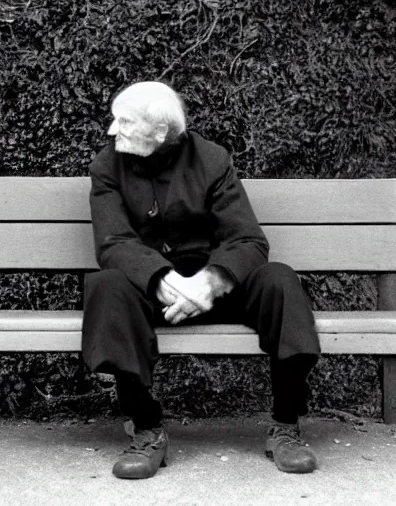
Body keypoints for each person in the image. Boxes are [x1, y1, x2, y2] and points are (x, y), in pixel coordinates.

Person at [82, 81, 321, 479]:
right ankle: (146, 430)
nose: (112, 130)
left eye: (125, 121)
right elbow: (113, 242)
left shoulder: (212, 160)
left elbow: (248, 240)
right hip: (149, 290)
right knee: (106, 285)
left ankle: (286, 426)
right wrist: (160, 279)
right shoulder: (107, 165)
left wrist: (211, 282)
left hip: (216, 286)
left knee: (280, 280)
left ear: (160, 132)